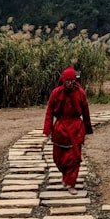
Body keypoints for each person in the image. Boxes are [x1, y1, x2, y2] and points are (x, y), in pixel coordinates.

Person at [43, 66, 93, 194]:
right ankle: (66, 176)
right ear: (63, 80)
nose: (70, 83)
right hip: (60, 128)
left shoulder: (80, 93)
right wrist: (48, 130)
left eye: (72, 80)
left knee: (74, 158)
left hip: (76, 128)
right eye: (67, 80)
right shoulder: (56, 93)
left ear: (75, 80)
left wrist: (87, 129)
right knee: (58, 158)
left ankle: (71, 183)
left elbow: (86, 112)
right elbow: (49, 112)